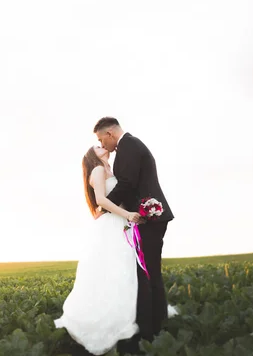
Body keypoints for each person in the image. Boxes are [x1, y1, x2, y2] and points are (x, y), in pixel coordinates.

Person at [54, 143, 178, 355]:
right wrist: (127, 214)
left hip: (120, 223)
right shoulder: (98, 169)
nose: (102, 146)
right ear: (92, 155)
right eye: (97, 146)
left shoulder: (110, 170)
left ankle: (129, 316)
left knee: (126, 272)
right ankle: (116, 320)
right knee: (116, 271)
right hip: (112, 225)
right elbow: (101, 200)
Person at [94, 116, 175, 355]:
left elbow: (127, 183)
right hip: (149, 218)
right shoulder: (131, 145)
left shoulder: (128, 145)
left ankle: (152, 331)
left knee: (147, 273)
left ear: (109, 133)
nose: (102, 144)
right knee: (150, 272)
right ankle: (155, 324)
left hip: (149, 218)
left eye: (101, 139)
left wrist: (106, 206)